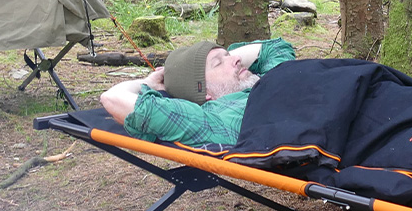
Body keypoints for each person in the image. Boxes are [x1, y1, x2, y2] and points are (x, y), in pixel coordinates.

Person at [100, 37, 295, 147]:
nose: (237, 59)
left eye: (229, 55)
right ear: (205, 93)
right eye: (218, 63)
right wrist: (147, 82)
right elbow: (112, 98)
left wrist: (224, 60)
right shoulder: (215, 120)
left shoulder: (268, 76)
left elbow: (274, 47)